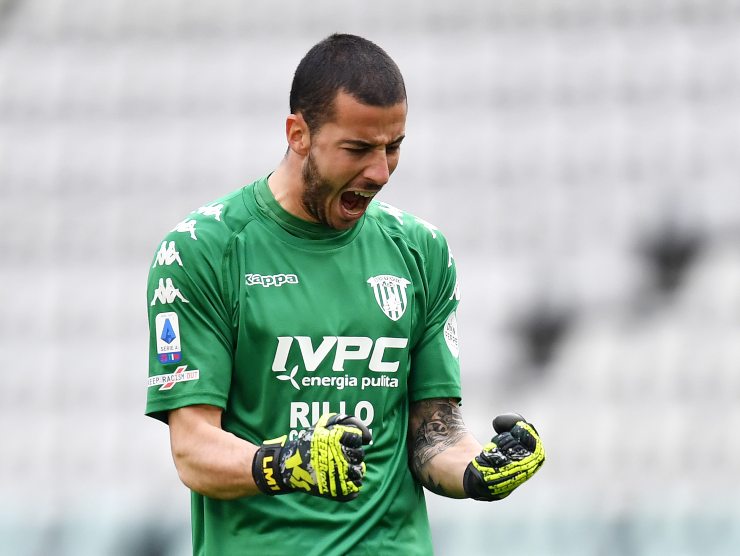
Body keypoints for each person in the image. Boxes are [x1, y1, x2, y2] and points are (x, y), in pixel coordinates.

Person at [146, 33, 545, 555]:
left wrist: (479, 471)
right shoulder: (204, 250)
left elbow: (433, 436)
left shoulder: (420, 251)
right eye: (357, 149)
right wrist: (287, 461)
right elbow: (193, 450)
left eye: (393, 147)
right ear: (299, 134)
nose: (379, 172)